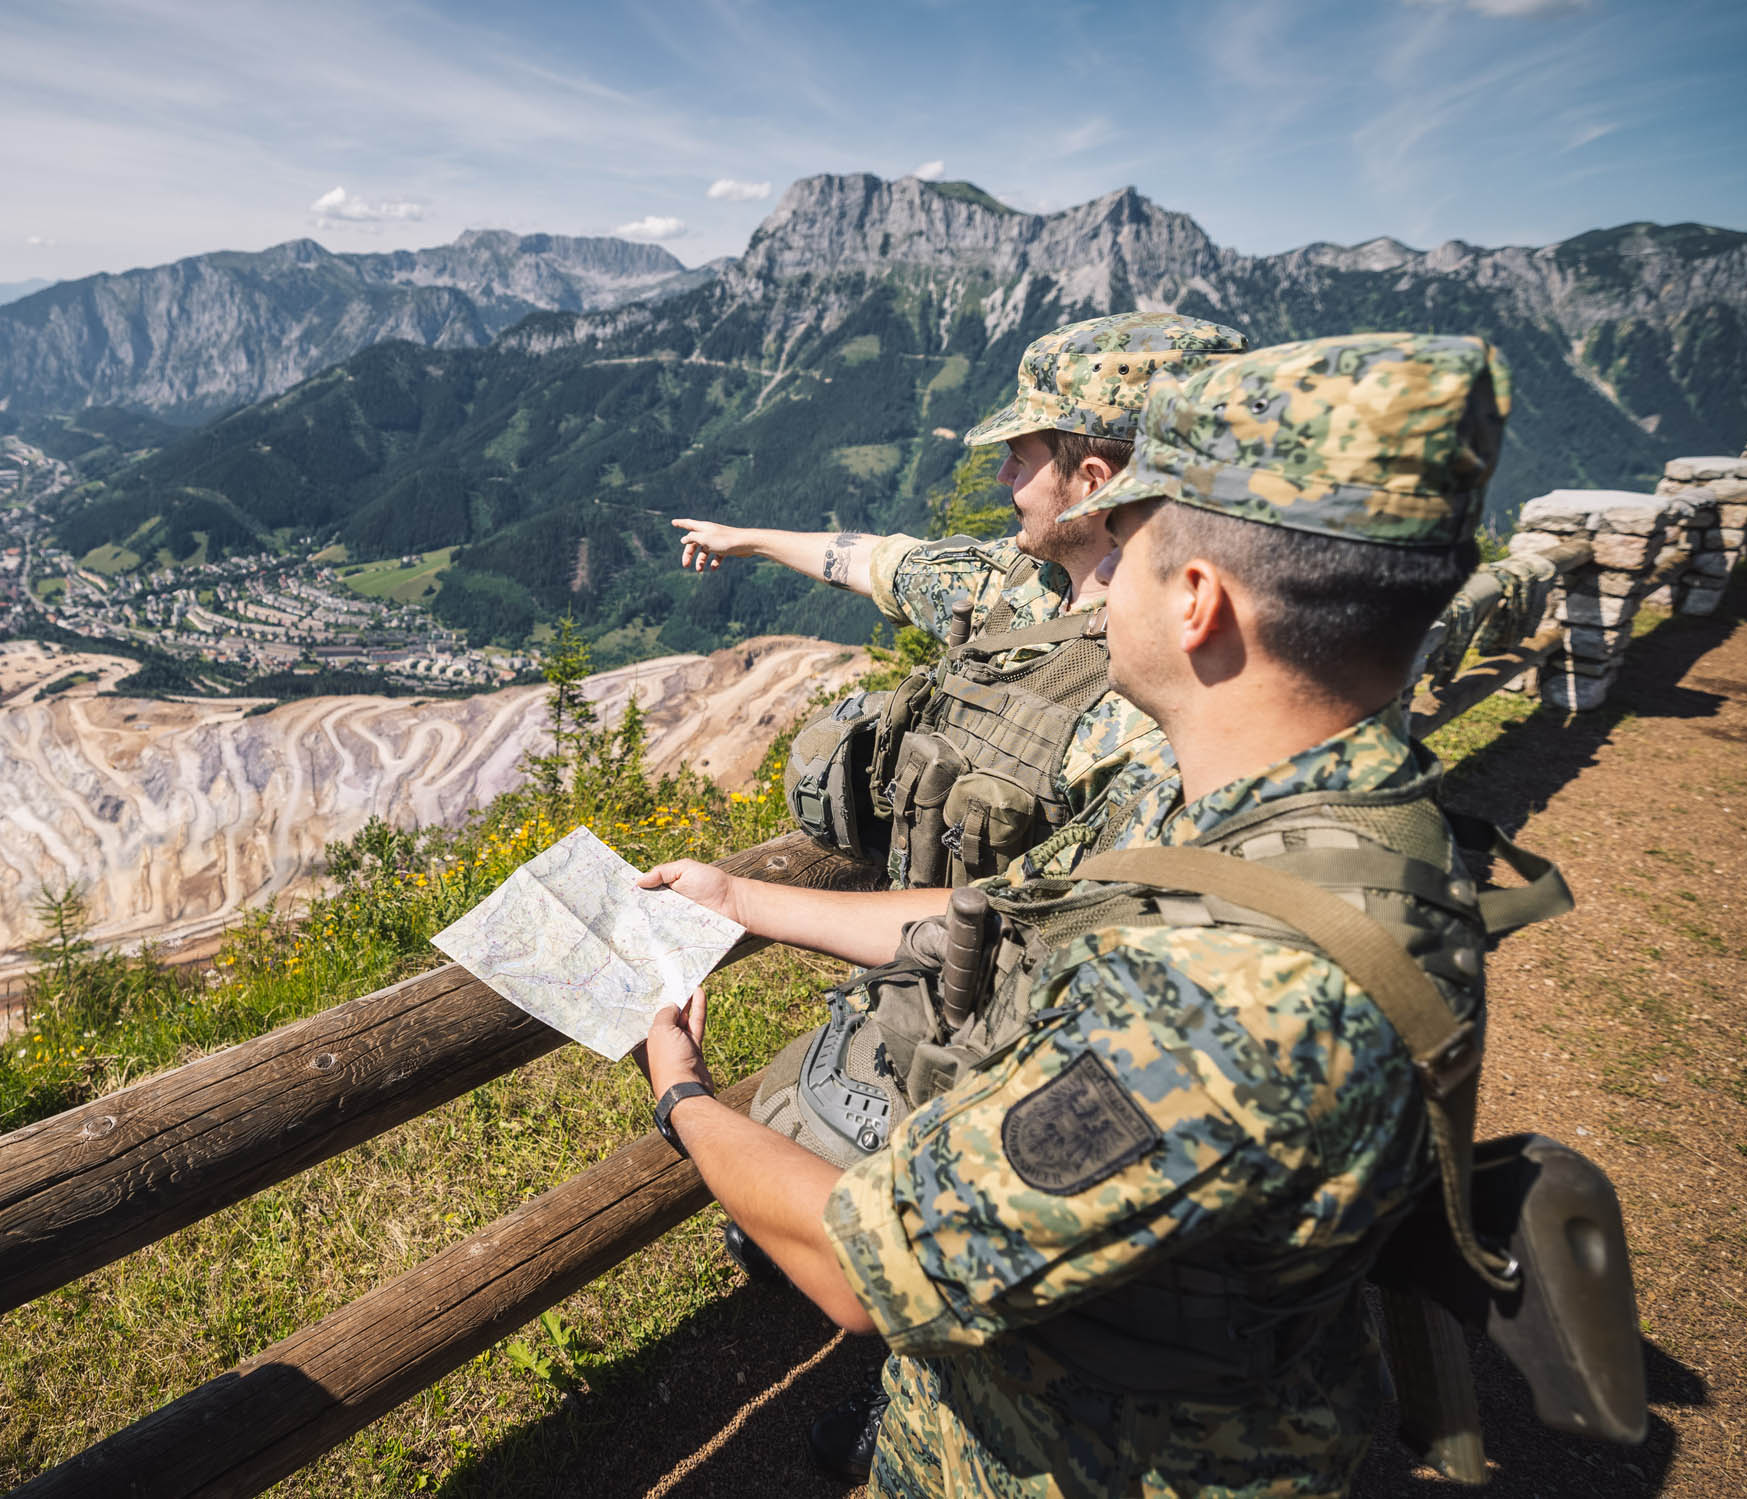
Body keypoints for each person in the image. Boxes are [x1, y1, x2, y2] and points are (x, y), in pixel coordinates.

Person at [636, 332, 1530, 1496]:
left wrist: (684, 1093)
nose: (1102, 581)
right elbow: (1008, 916)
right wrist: (742, 897)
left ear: (1198, 599)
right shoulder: (1296, 816)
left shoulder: (1233, 1003)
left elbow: (872, 1259)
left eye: (1130, 543)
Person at [672, 312, 1248, 878]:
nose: (1003, 477)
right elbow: (878, 562)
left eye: (1020, 459)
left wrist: (743, 901)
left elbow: (1059, 920)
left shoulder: (1162, 704)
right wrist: (748, 541)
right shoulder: (1020, 580)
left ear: (1092, 484)